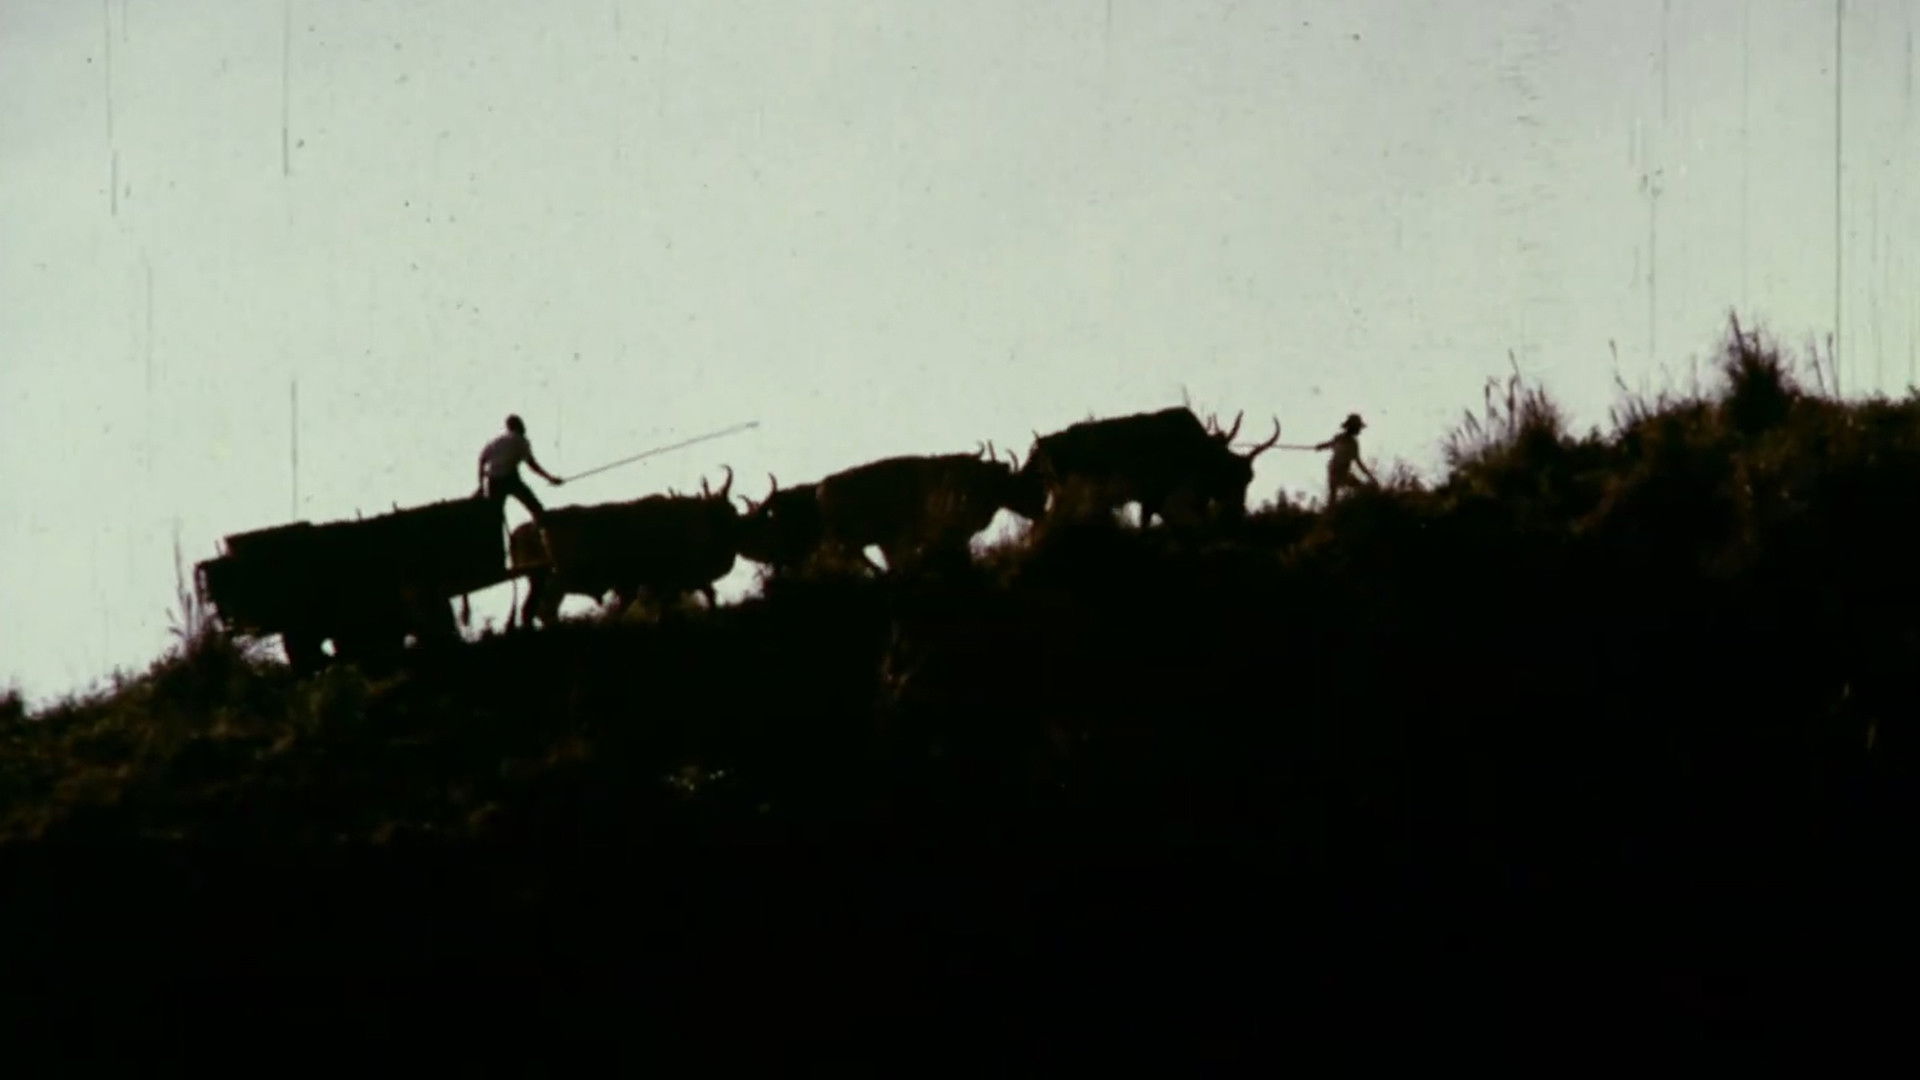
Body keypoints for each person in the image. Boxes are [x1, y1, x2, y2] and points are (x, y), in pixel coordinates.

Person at [477, 414, 563, 521]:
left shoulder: (496, 441)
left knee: (495, 517)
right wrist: (550, 478)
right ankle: (544, 530)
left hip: (493, 481)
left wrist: (481, 485)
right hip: (510, 478)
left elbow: (482, 460)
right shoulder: (521, 441)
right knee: (535, 507)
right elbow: (532, 465)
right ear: (519, 426)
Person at [1315, 413, 1377, 505]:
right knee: (1337, 495)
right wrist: (1321, 446)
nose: (1359, 430)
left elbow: (1329, 444)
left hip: (1337, 470)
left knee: (1333, 496)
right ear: (1353, 428)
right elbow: (1358, 462)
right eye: (1358, 428)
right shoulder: (1349, 442)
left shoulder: (1343, 439)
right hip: (1338, 471)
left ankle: (1332, 514)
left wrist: (1321, 446)